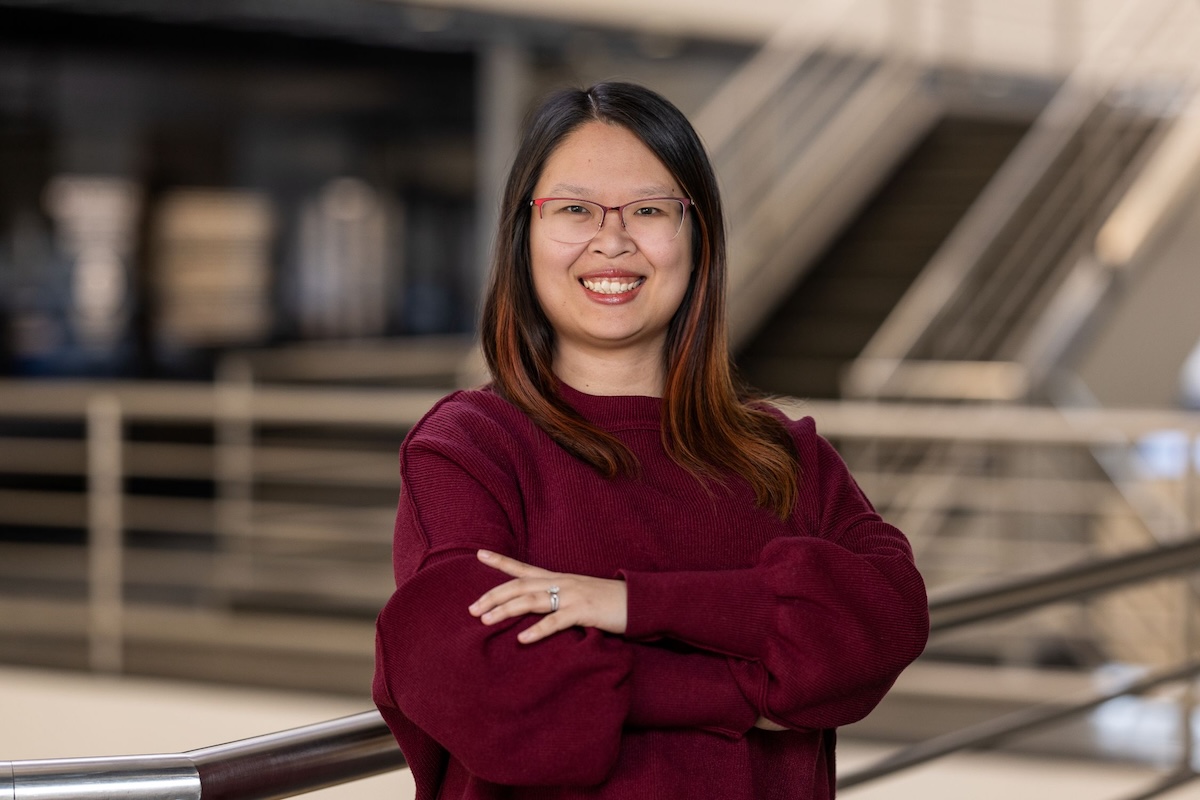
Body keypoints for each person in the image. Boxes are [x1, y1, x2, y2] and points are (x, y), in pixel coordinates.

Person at [373, 81, 928, 800]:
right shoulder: (470, 449)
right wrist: (754, 688)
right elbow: (492, 696)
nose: (612, 239)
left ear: (697, 238)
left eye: (649, 210)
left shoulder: (781, 455)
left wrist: (630, 607)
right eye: (574, 209)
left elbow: (889, 613)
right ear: (523, 235)